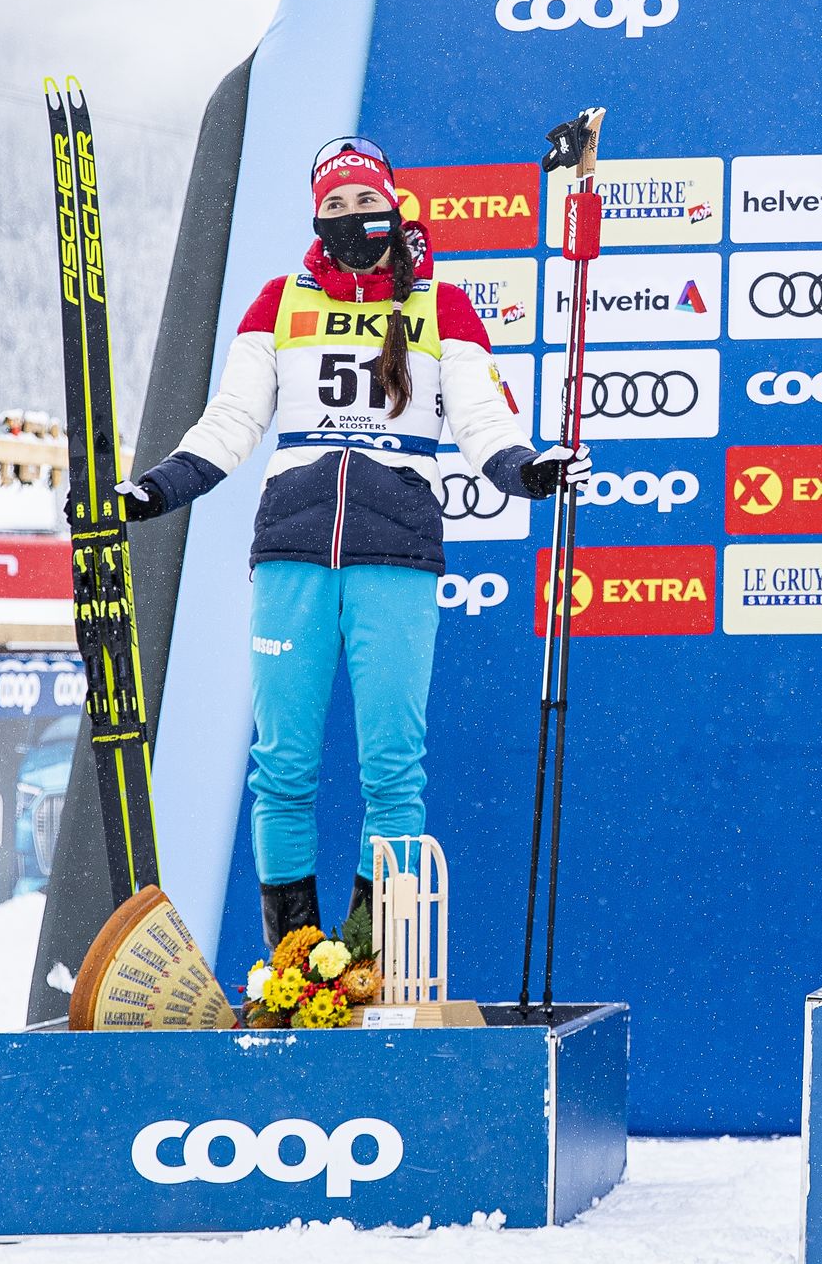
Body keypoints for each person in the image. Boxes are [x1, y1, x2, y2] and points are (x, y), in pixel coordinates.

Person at [119, 136, 589, 946]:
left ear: (391, 205)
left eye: (362, 201)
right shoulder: (278, 303)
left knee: (394, 774)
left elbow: (482, 421)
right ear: (316, 215)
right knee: (284, 771)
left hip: (395, 558)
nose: (349, 216)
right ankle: (296, 966)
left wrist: (528, 469)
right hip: (292, 558)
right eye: (332, 205)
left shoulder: (441, 308)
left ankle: (373, 959)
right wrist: (158, 486)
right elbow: (231, 421)